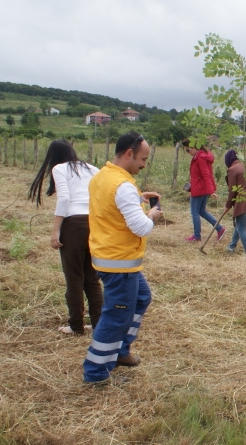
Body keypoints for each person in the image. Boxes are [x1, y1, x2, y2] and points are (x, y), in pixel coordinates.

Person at [83, 131, 162, 384]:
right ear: (129, 153)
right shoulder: (123, 185)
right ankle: (96, 373)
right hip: (120, 264)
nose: (143, 164)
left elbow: (112, 208)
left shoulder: (103, 176)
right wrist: (151, 215)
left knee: (141, 298)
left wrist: (138, 199)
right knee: (116, 316)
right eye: (142, 159)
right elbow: (140, 227)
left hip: (111, 257)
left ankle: (121, 351)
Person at [27, 139, 103, 335]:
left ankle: (76, 326)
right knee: (92, 279)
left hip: (73, 225)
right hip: (94, 224)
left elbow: (65, 198)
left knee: (74, 278)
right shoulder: (92, 168)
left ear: (54, 156)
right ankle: (98, 324)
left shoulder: (60, 169)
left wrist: (55, 230)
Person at [183, 138, 226, 242]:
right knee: (201, 211)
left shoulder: (200, 158)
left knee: (195, 212)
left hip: (200, 189)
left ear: (193, 148)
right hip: (202, 188)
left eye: (188, 150)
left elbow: (206, 175)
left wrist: (211, 191)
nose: (188, 153)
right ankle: (220, 229)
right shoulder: (202, 155)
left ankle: (197, 236)